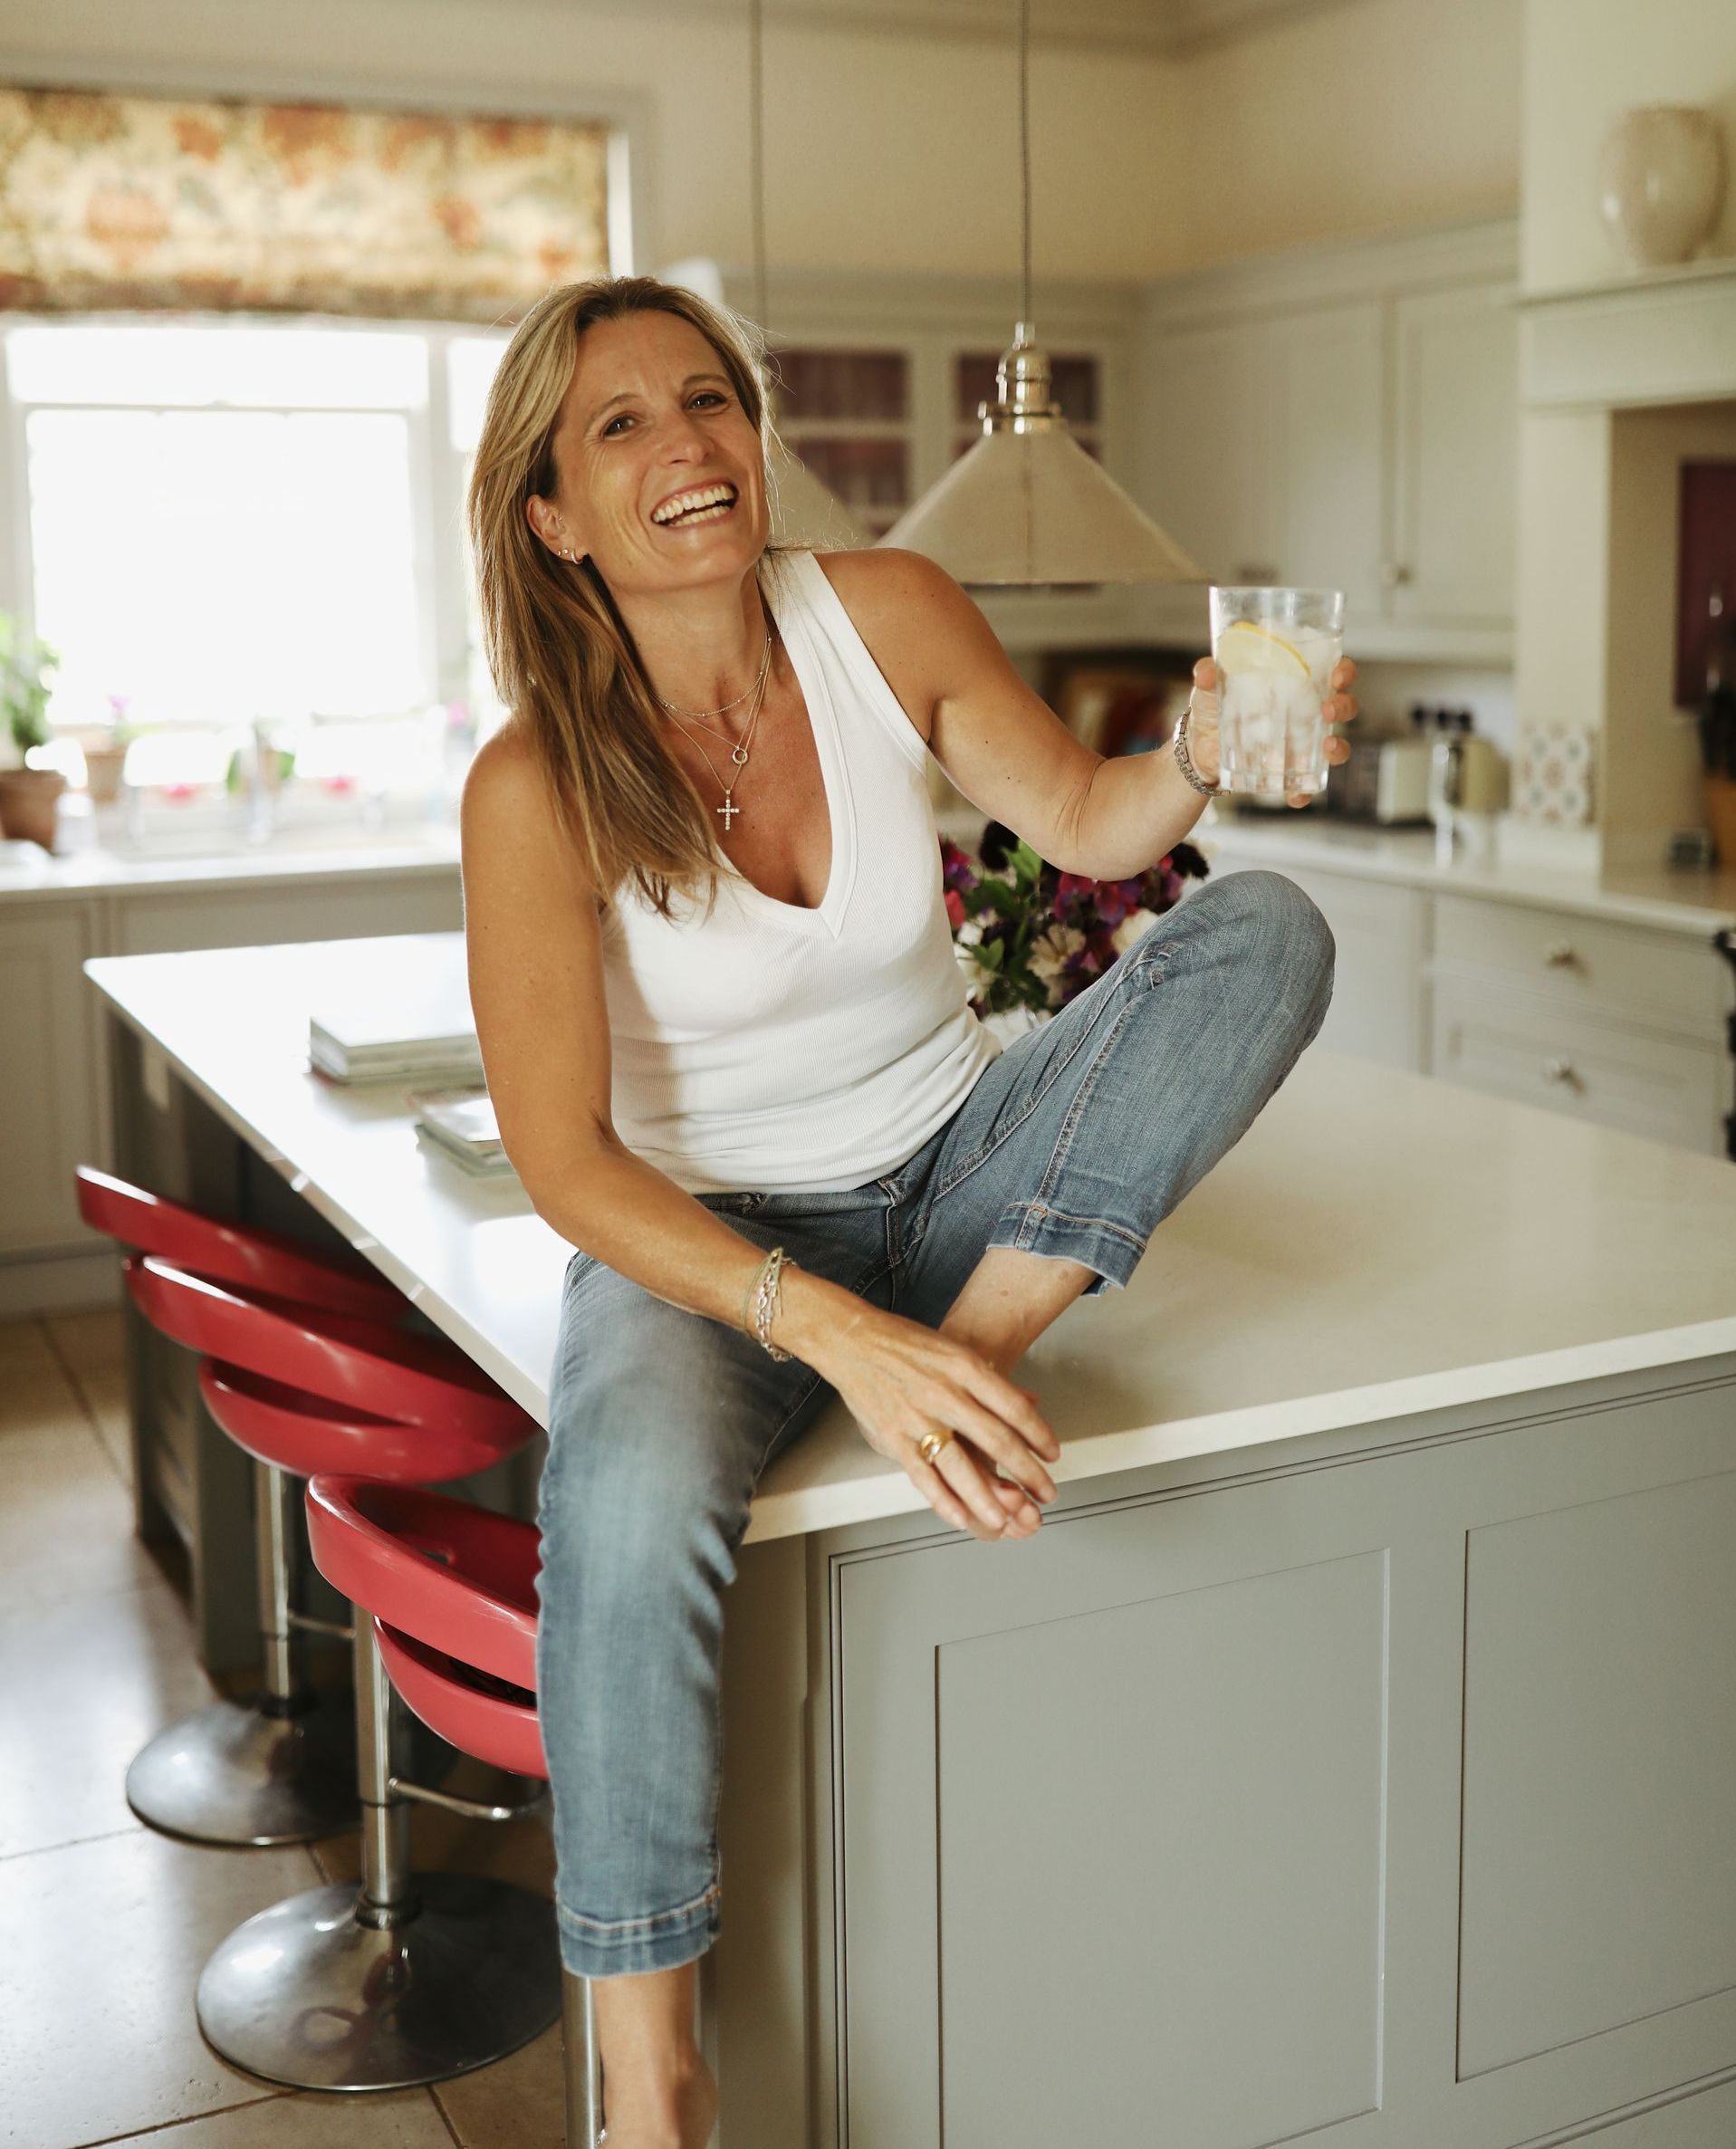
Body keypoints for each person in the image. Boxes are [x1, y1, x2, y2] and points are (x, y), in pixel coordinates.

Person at [461, 274, 1356, 2149]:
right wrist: (824, 1328)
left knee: (1263, 923)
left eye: (703, 398)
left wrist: (1194, 748)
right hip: (707, 1250)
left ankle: (962, 1369)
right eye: (615, 424)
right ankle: (654, 2082)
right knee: (617, 1502)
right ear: (549, 511)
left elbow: (1098, 824)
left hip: (955, 1164)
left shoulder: (879, 613)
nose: (683, 443)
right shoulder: (532, 781)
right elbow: (565, 1162)